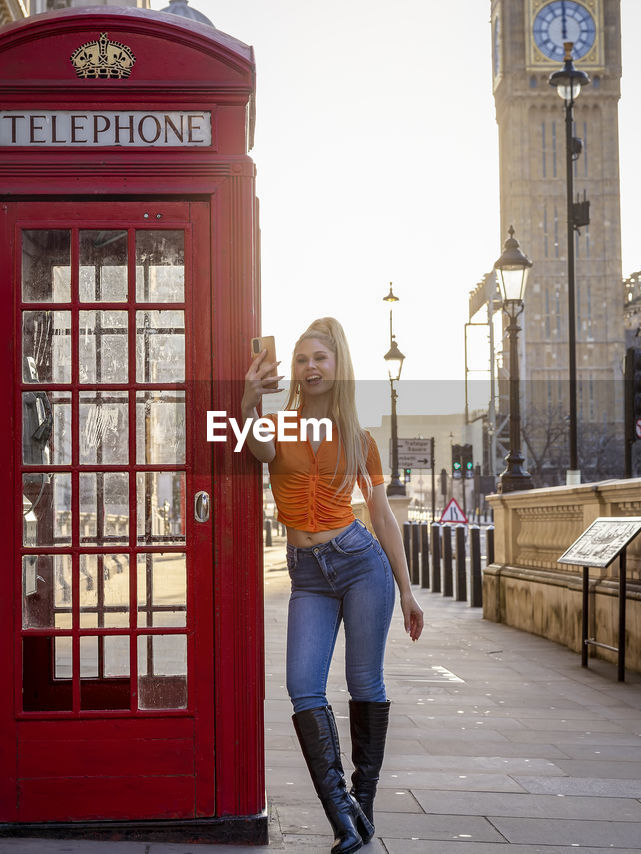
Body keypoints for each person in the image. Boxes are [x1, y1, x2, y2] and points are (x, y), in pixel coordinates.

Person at [241, 317, 423, 854]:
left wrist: (407, 590)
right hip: (308, 574)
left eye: (320, 357)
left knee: (365, 683)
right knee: (303, 686)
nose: (310, 366)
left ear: (337, 367)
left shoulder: (360, 440)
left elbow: (382, 516)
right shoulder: (276, 429)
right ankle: (341, 811)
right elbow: (253, 448)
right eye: (301, 359)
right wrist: (246, 399)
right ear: (292, 372)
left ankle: (360, 805)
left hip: (360, 563)